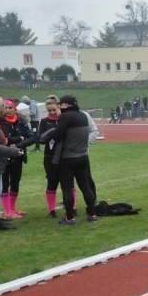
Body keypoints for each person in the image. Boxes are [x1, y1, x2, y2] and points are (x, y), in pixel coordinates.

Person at [48, 95, 98, 224]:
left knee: (67, 188)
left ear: (65, 105)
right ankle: (92, 215)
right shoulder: (83, 115)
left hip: (68, 158)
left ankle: (69, 217)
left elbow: (57, 136)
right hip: (83, 156)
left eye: (61, 105)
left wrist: (51, 132)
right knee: (85, 186)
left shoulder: (65, 116)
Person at [0, 98, 35, 218]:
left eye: (10, 108)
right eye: (5, 108)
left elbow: (32, 137)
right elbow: (5, 139)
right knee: (4, 183)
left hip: (18, 155)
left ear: (15, 109)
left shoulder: (21, 121)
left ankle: (13, 208)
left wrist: (18, 145)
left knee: (15, 182)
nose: (8, 110)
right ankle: (7, 211)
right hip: (4, 156)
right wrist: (19, 138)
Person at [0, 98, 23, 228]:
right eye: (2, 106)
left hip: (0, 162)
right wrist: (13, 151)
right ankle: (1, 216)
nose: (4, 109)